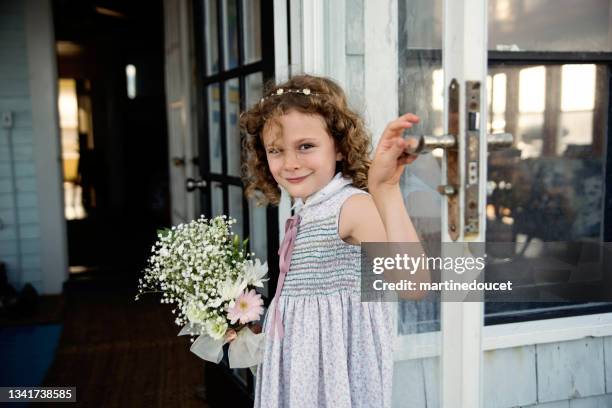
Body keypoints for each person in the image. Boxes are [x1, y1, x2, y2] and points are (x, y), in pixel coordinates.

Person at [240, 74, 428, 408]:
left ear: (339, 147)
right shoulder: (306, 209)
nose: (291, 163)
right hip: (301, 373)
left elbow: (413, 282)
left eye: (306, 146)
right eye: (276, 150)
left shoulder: (351, 206)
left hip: (331, 381)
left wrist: (385, 189)